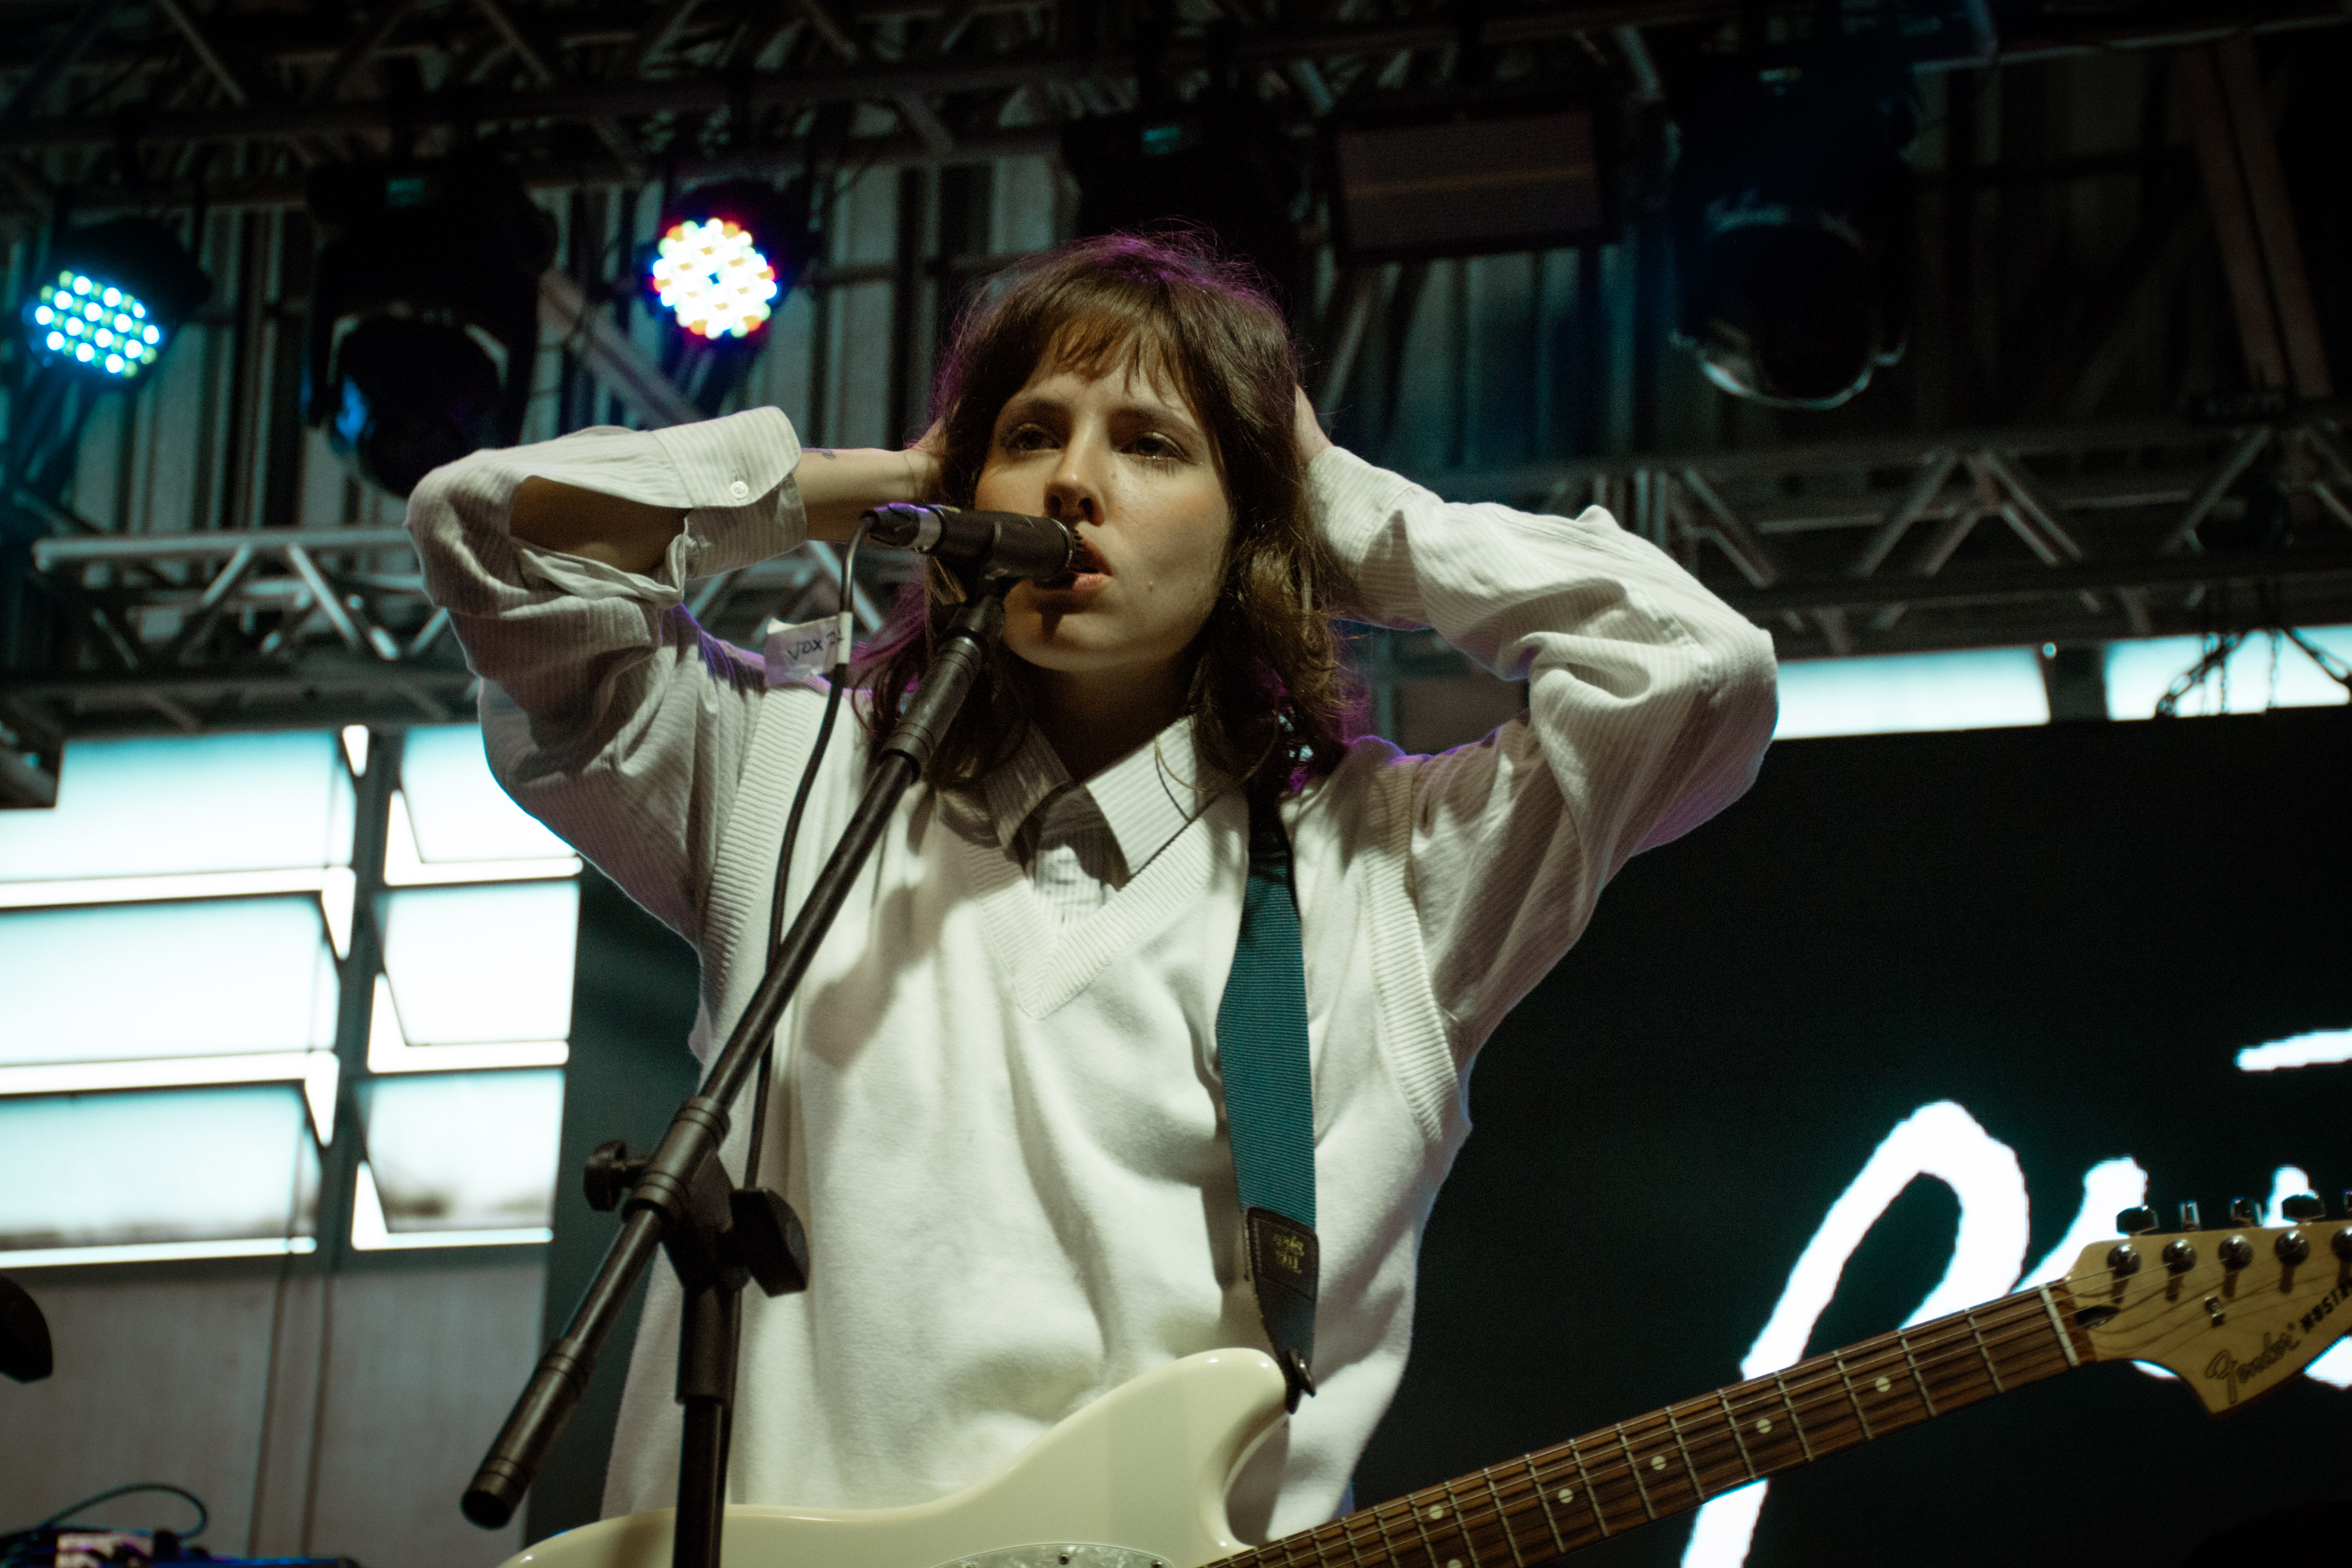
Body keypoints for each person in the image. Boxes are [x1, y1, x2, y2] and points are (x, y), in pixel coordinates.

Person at [406, 234, 1777, 1539]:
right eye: (1027, 436)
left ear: (1254, 525)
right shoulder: (780, 767)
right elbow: (486, 534)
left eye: (1152, 445)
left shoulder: (1393, 870)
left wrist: (1344, 510)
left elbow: (1694, 674)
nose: (1072, 482)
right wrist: (872, 477)